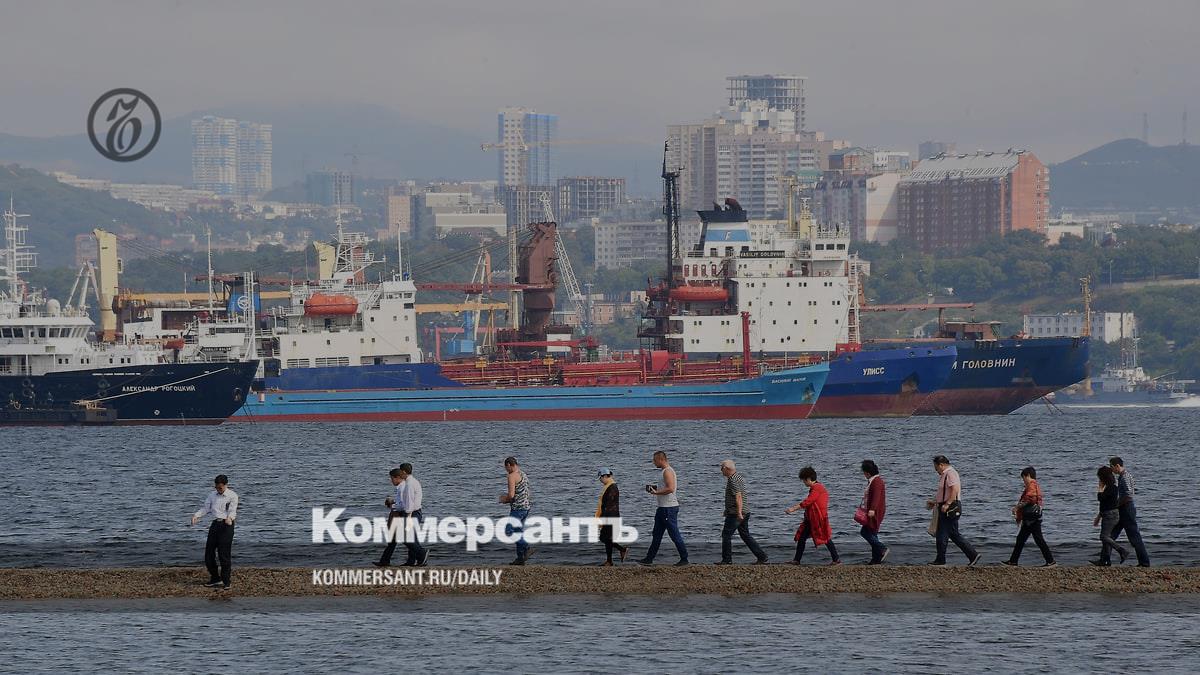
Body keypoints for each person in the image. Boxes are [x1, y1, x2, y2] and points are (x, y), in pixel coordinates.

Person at [926, 455, 981, 566]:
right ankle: (972, 555)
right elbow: (945, 492)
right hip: (946, 505)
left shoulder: (950, 473)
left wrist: (947, 503)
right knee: (953, 534)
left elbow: (954, 489)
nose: (936, 470)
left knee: (942, 533)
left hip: (950, 507)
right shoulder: (945, 474)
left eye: (936, 468)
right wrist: (935, 502)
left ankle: (941, 559)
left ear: (941, 465)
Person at [637, 451, 689, 566]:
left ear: (661, 459)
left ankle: (684, 558)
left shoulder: (668, 471)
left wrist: (656, 493)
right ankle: (649, 558)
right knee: (656, 534)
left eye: (654, 460)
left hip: (669, 508)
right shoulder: (663, 472)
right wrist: (656, 490)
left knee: (674, 534)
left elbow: (670, 488)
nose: (653, 462)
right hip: (662, 508)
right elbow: (665, 487)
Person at [190, 474, 239, 590]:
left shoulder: (232, 496)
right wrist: (196, 516)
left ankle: (226, 581)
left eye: (220, 488)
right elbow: (206, 508)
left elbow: (233, 510)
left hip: (227, 526)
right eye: (217, 487)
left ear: (226, 485)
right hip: (215, 524)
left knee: (224, 554)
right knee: (208, 554)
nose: (218, 490)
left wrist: (230, 518)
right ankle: (215, 578)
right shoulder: (212, 495)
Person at [716, 460, 768, 565]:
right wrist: (727, 510)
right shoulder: (738, 477)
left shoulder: (733, 480)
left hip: (736, 513)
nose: (721, 470)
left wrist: (738, 513)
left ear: (726, 468)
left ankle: (727, 560)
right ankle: (762, 556)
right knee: (745, 535)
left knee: (726, 535)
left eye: (722, 468)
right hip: (744, 511)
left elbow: (738, 496)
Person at [785, 466, 840, 565]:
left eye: (804, 481)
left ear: (809, 479)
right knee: (802, 538)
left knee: (826, 538)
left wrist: (793, 509)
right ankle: (797, 560)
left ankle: (836, 559)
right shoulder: (816, 487)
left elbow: (808, 501)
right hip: (812, 518)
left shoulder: (817, 488)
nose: (804, 483)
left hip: (818, 519)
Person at [376, 464, 428, 568]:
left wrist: (406, 515)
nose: (399, 473)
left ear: (404, 472)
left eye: (400, 471)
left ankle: (422, 553)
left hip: (410, 513)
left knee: (404, 537)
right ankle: (412, 560)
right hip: (412, 512)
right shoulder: (412, 482)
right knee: (410, 537)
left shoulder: (408, 485)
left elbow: (408, 504)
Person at [1003, 466, 1056, 567]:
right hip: (1030, 518)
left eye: (1023, 478)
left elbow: (1029, 499)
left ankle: (1050, 561)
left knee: (1038, 539)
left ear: (1028, 476)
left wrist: (1017, 507)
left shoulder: (1032, 485)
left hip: (1032, 518)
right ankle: (1013, 561)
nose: (1023, 481)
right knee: (1021, 539)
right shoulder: (1034, 486)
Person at [1108, 457, 1151, 567]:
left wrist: (1117, 504)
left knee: (1134, 537)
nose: (1111, 470)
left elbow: (1128, 495)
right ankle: (1104, 559)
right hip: (1123, 509)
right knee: (1110, 535)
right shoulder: (1123, 476)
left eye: (1112, 467)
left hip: (1127, 509)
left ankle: (1144, 562)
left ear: (1117, 466)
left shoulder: (1125, 477)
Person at [499, 456, 533, 565]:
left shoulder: (511, 476)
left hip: (518, 509)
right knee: (518, 531)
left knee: (509, 531)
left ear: (509, 465)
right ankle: (520, 559)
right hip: (526, 507)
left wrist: (504, 500)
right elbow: (526, 492)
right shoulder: (523, 474)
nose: (506, 470)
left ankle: (526, 547)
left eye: (506, 468)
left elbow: (511, 495)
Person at [1092, 465, 1129, 566]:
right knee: (1107, 538)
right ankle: (1105, 560)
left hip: (1110, 515)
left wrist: (1100, 488)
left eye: (1100, 478)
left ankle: (1122, 551)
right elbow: (1104, 504)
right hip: (1108, 514)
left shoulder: (1112, 488)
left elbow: (1100, 498)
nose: (1099, 480)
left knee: (1104, 537)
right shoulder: (1110, 488)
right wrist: (1098, 517)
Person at [595, 468, 629, 566]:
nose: (600, 480)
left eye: (600, 478)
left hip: (610, 517)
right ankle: (609, 561)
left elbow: (609, 506)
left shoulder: (612, 487)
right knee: (607, 538)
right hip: (610, 516)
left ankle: (622, 550)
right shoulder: (608, 486)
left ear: (605, 476)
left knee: (604, 538)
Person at [857, 460, 888, 564]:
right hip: (873, 510)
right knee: (872, 532)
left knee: (865, 532)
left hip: (875, 511)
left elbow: (876, 497)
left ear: (868, 472)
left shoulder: (877, 482)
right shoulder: (874, 481)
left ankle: (881, 548)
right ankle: (876, 558)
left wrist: (872, 509)